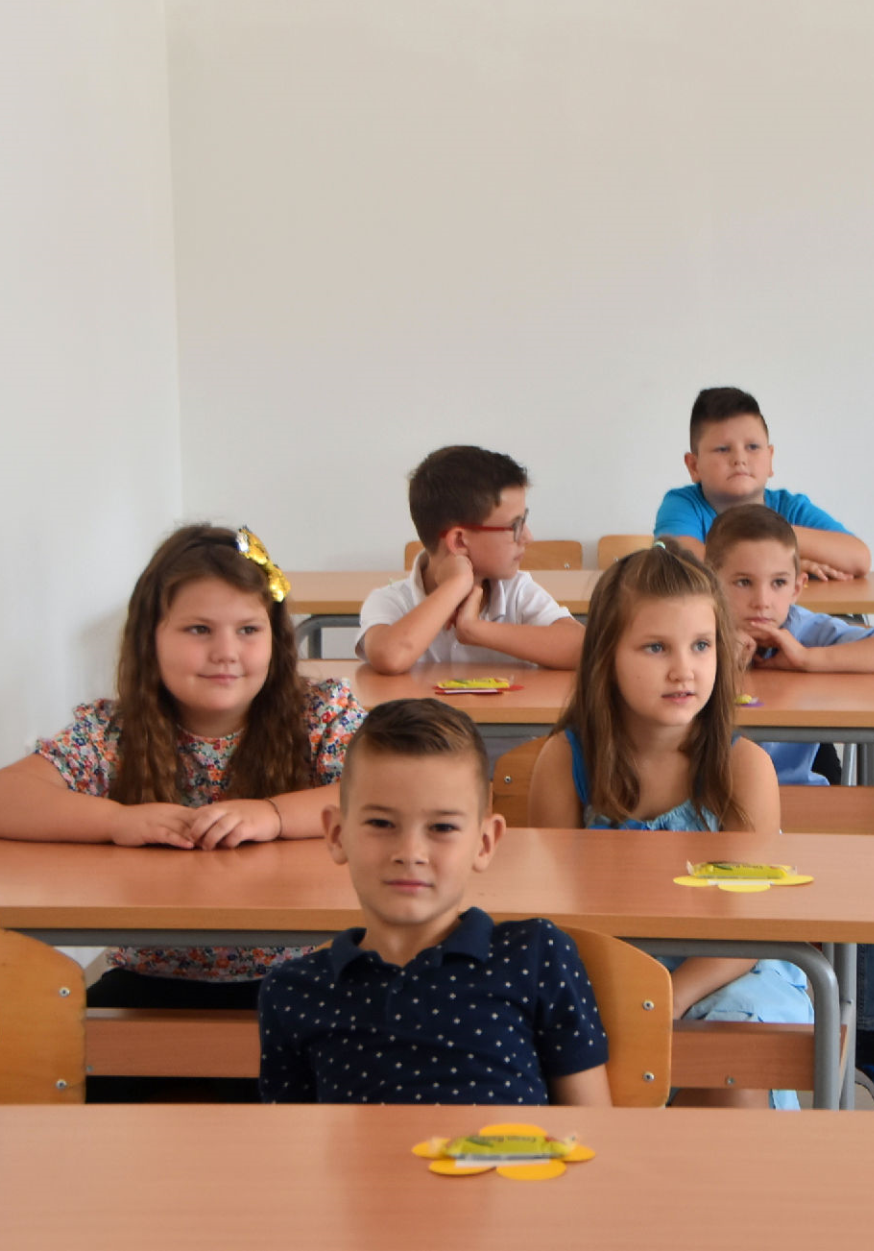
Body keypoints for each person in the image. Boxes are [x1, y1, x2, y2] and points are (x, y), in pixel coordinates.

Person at [0, 525, 365, 1030]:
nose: (226, 651)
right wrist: (117, 821)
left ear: (276, 639)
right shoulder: (114, 731)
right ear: (149, 639)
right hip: (147, 979)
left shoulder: (320, 713)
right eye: (198, 630)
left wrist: (273, 815)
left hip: (302, 972)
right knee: (53, 1043)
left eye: (248, 629)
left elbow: (388, 794)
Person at [527, 543, 810, 1108]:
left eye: (702, 645)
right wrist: (627, 997)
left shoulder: (743, 768)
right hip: (604, 970)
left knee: (731, 1058)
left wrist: (666, 999)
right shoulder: (564, 762)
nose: (684, 670)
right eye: (656, 647)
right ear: (606, 655)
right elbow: (552, 921)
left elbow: (749, 932)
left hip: (724, 972)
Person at [704, 505, 874, 1116]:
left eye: (778, 583)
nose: (763, 600)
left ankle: (869, 1034)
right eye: (742, 582)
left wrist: (808, 660)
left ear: (800, 586)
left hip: (796, 821)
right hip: (703, 822)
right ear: (710, 581)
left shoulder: (807, 631)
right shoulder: (693, 635)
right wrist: (718, 664)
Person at [258, 699, 610, 1106]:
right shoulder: (295, 991)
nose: (410, 852)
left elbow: (592, 1127)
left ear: (484, 843)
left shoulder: (535, 955)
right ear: (337, 835)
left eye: (442, 827)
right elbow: (290, 1139)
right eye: (381, 823)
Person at [358, 446, 584, 673]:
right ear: (459, 541)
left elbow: (584, 649)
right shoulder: (391, 600)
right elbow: (390, 657)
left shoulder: (516, 592)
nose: (528, 537)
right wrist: (456, 584)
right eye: (515, 525)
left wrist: (474, 629)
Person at [653, 387, 871, 581]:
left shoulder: (791, 507)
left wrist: (777, 538)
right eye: (722, 449)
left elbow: (859, 558)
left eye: (753, 447)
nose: (739, 459)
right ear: (694, 466)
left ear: (770, 458)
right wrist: (780, 568)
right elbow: (680, 561)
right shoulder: (682, 504)